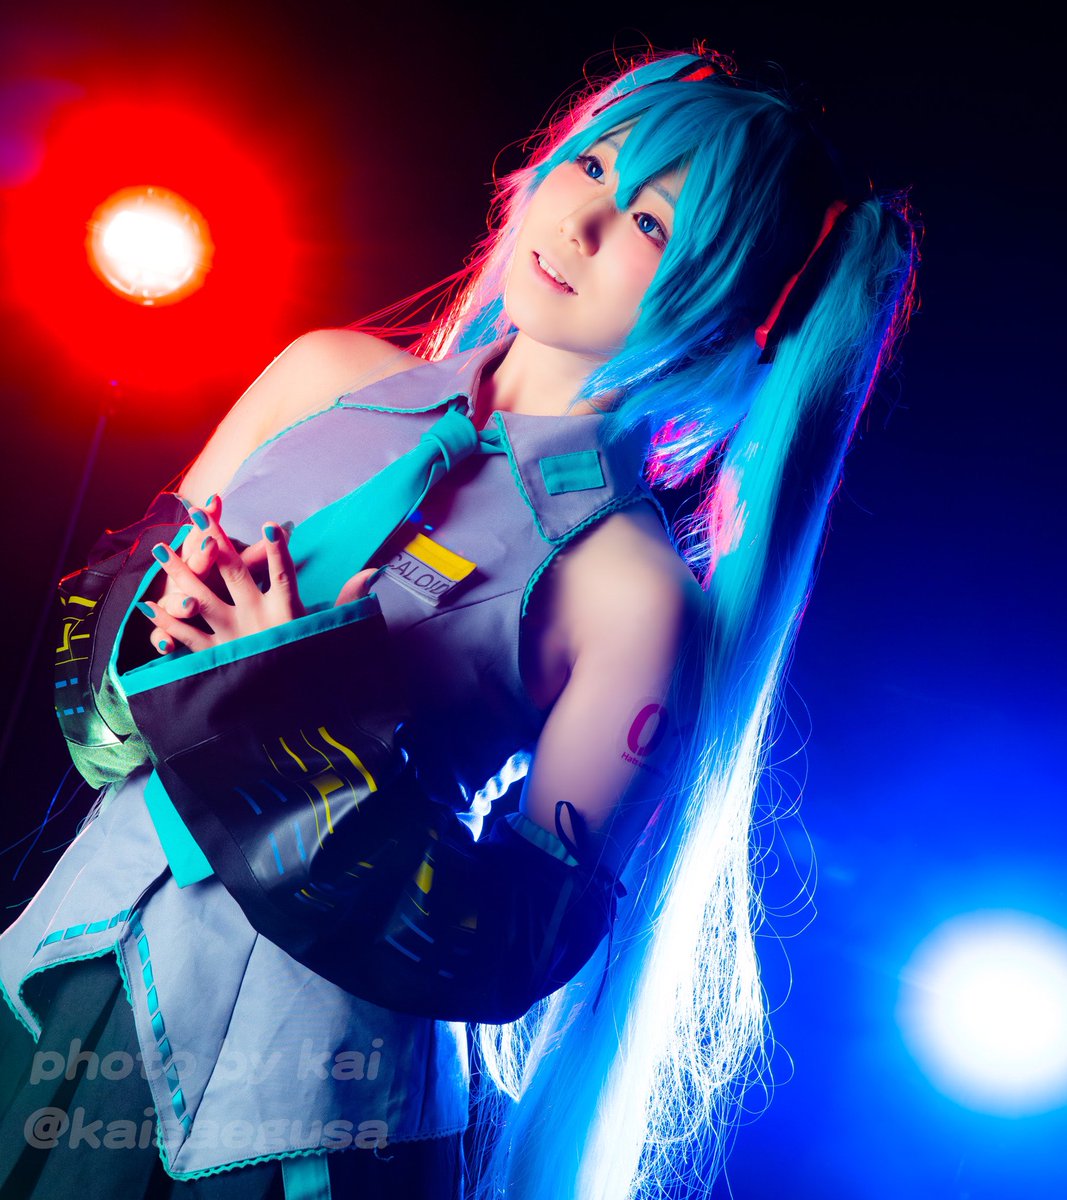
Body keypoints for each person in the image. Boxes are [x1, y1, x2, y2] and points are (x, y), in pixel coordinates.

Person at [0, 46, 918, 1200]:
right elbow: (98, 721)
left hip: (296, 1112)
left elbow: (507, 946)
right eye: (594, 164)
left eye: (649, 223)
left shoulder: (633, 595)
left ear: (742, 309)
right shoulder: (319, 378)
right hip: (54, 973)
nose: (581, 220)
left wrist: (279, 712)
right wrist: (153, 633)